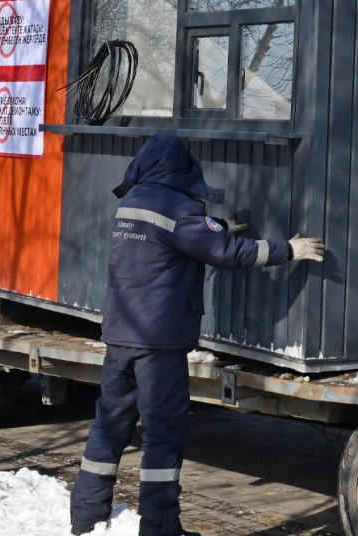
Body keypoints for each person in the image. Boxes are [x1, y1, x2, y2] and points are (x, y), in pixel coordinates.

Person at [69, 134, 326, 536]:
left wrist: (216, 227)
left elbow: (170, 241)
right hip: (158, 340)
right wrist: (287, 249)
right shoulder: (178, 207)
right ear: (180, 168)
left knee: (110, 424)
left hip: (121, 335)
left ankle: (86, 517)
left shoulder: (132, 202)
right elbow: (227, 253)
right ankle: (160, 527)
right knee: (162, 433)